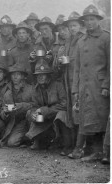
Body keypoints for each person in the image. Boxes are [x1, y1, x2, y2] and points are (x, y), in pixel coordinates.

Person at [72, 5, 110, 162]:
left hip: (99, 85)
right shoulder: (81, 41)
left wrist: (107, 85)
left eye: (92, 19)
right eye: (86, 20)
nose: (89, 23)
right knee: (88, 116)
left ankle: (102, 152)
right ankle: (94, 151)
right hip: (84, 86)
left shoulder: (107, 38)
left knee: (100, 116)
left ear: (98, 20)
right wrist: (75, 89)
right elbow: (77, 68)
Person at [26, 61, 72, 155]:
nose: (40, 77)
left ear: (49, 76)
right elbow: (34, 106)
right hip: (46, 120)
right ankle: (37, 141)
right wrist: (33, 114)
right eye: (38, 75)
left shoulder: (58, 85)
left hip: (57, 117)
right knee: (29, 113)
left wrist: (44, 110)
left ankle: (67, 146)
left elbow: (64, 104)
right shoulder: (36, 89)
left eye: (43, 75)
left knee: (62, 115)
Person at [59, 11, 85, 159]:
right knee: (71, 114)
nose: (72, 28)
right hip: (68, 83)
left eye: (74, 25)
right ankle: (73, 145)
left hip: (80, 82)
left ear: (80, 26)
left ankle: (81, 147)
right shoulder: (68, 42)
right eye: (70, 26)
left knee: (79, 113)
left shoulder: (83, 39)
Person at [0, 64, 33, 147]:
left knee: (30, 113)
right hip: (16, 122)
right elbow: (2, 110)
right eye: (13, 74)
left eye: (18, 74)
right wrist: (5, 112)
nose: (15, 77)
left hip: (29, 120)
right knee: (11, 143)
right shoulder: (7, 93)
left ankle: (32, 138)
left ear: (22, 76)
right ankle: (25, 139)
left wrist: (20, 106)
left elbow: (36, 105)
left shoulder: (30, 89)